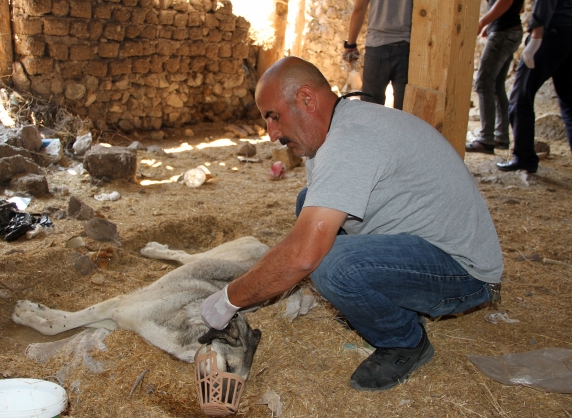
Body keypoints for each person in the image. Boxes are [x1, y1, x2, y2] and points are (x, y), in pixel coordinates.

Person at [201, 57, 504, 391]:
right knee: (309, 204)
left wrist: (229, 299)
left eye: (274, 116)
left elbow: (304, 255)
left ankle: (405, 342)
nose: (273, 134)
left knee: (331, 263)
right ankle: (386, 303)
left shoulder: (351, 140)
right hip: (422, 244)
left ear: (306, 99)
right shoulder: (337, 129)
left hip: (464, 271)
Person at [497, 0, 572, 172]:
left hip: (551, 33)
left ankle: (524, 158)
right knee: (570, 104)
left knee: (520, 96)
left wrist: (536, 35)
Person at [466, 0, 526, 155]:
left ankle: (486, 139)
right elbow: (519, 6)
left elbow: (507, 0)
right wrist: (492, 23)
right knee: (497, 85)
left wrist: (483, 22)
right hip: (504, 29)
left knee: (483, 83)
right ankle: (501, 137)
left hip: (504, 32)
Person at [342, 0, 413, 109]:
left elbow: (359, 9)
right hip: (407, 48)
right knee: (405, 110)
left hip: (376, 48)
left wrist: (351, 45)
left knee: (371, 108)